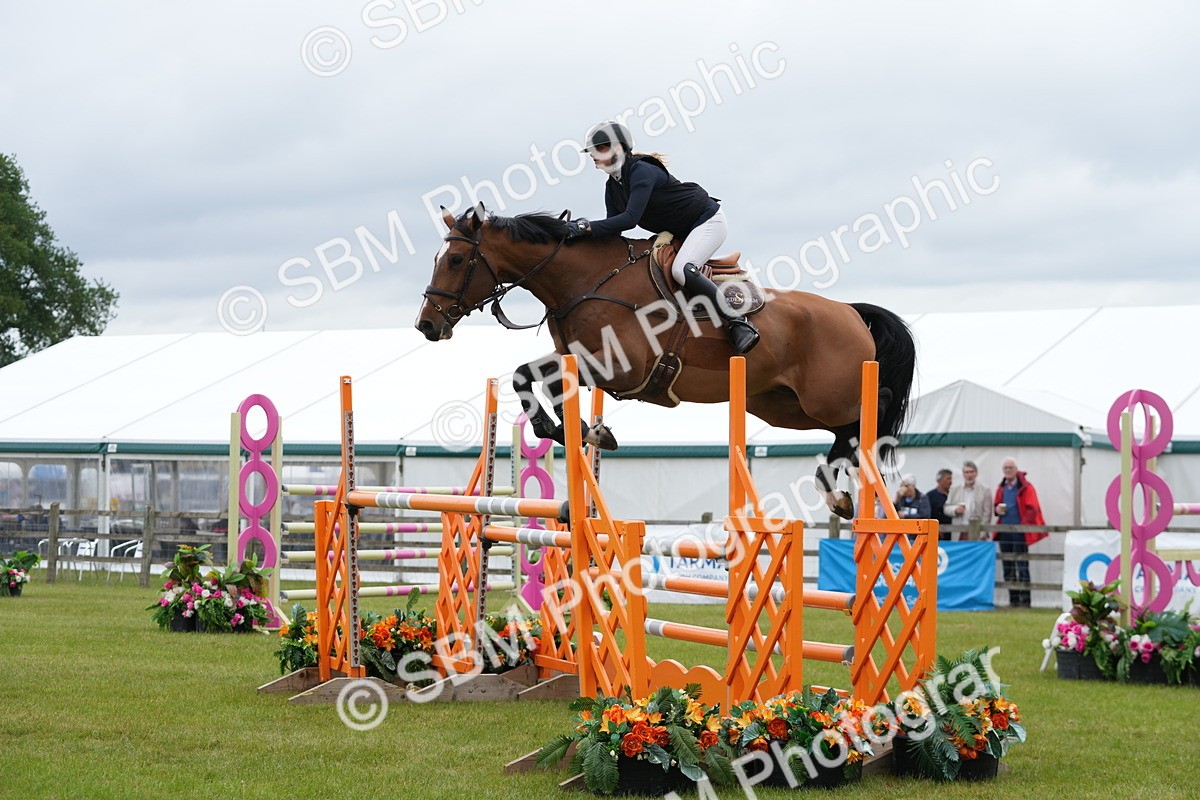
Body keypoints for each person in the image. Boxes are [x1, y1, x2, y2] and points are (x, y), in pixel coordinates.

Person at [566, 120, 759, 354]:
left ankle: (739, 323)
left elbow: (629, 219)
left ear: (618, 149)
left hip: (707, 221)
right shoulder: (612, 186)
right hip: (680, 231)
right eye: (592, 152)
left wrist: (587, 226)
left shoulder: (642, 170)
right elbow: (613, 232)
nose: (593, 156)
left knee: (682, 269)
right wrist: (577, 238)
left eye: (600, 149)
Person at [993, 457, 1047, 608]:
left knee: (1022, 565)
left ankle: (1025, 601)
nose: (1008, 471)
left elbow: (1032, 508)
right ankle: (1013, 600)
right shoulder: (1002, 487)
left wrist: (1023, 524)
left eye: (1010, 468)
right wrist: (997, 509)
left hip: (1019, 532)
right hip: (1004, 531)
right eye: (1006, 468)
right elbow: (996, 505)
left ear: (1016, 469)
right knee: (1008, 566)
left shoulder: (1026, 487)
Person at [946, 460, 992, 540]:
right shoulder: (954, 489)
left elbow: (987, 514)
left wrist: (982, 532)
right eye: (966, 472)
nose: (969, 475)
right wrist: (955, 510)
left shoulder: (985, 490)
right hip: (959, 531)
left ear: (976, 473)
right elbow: (946, 508)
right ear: (963, 474)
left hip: (977, 531)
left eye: (971, 472)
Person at [925, 468, 953, 539]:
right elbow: (927, 515)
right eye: (948, 479)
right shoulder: (930, 496)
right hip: (937, 534)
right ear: (939, 480)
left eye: (951, 479)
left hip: (953, 533)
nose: (950, 481)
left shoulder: (953, 495)